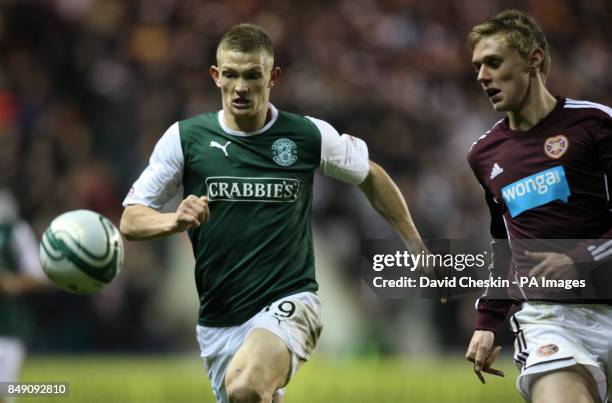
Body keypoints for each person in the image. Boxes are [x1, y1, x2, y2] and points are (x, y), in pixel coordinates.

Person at [120, 23, 425, 403]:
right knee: (245, 395)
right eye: (230, 75)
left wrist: (416, 245)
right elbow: (131, 219)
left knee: (247, 388)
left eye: (253, 75)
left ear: (273, 77)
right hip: (219, 320)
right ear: (216, 76)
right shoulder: (185, 139)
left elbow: (371, 175)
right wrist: (173, 221)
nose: (241, 87)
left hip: (291, 301)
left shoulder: (306, 135)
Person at [463, 9, 611, 403]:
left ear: (534, 59)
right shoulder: (484, 154)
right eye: (478, 67)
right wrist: (488, 321)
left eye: (493, 63)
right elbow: (504, 245)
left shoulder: (596, 125)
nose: (482, 76)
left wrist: (581, 257)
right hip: (551, 316)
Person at [0, 189, 47, 403]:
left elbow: (38, 275)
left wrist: (11, 284)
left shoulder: (13, 230)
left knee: (5, 392)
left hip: (7, 328)